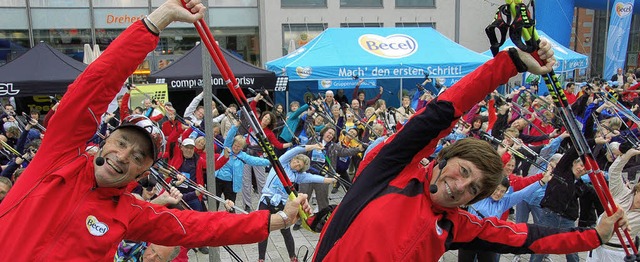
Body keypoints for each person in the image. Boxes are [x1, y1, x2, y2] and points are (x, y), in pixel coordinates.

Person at [0, 1, 312, 260]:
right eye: (122, 142)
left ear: (142, 173)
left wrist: (280, 219)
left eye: (138, 156)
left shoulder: (130, 213)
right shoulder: (58, 155)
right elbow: (97, 83)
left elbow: (205, 226)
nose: (123, 155)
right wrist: (160, 19)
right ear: (105, 139)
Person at [313, 40, 628, 261]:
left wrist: (595, 236)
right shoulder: (391, 170)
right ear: (441, 159)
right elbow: (443, 112)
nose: (461, 186)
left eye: (473, 188)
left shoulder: (457, 225)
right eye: (463, 171)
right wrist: (512, 63)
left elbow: (526, 238)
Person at [257, 144, 336, 262]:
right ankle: (261, 259)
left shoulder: (297, 176)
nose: (297, 165)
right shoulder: (281, 163)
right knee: (263, 230)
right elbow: (297, 149)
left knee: (286, 231)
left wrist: (333, 179)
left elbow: (313, 177)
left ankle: (293, 257)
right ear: (294, 159)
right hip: (266, 200)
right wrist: (314, 146)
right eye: (297, 161)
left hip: (282, 204)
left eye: (300, 166)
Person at [587, 146, 640, 261]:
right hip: (598, 246)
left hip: (621, 252)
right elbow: (614, 172)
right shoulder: (621, 192)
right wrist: (627, 156)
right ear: (637, 190)